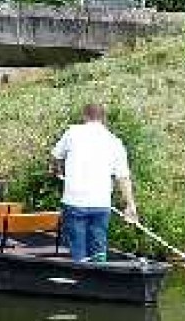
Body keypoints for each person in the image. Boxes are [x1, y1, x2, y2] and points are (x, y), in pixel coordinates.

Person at [50, 103, 138, 263]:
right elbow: (123, 177)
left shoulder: (72, 133)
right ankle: (99, 276)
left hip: (74, 202)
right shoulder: (115, 141)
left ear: (85, 116)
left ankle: (80, 275)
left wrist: (57, 171)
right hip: (101, 203)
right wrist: (130, 205)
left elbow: (56, 157)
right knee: (98, 247)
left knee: (78, 248)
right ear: (104, 119)